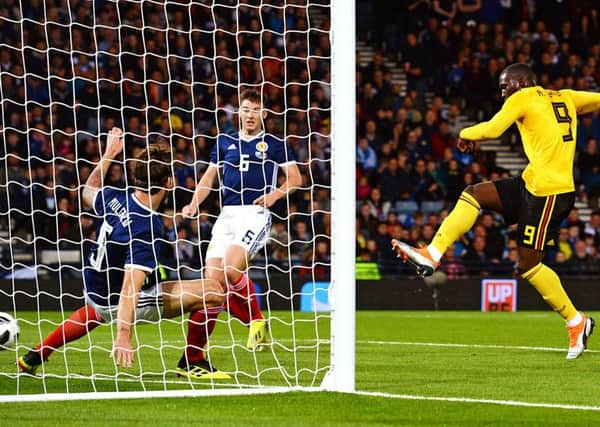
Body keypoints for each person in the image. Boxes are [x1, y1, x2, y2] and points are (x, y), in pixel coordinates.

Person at [392, 63, 600, 360]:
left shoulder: (523, 97)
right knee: (473, 194)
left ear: (519, 82)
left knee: (528, 265)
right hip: (532, 182)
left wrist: (464, 132)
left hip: (549, 193)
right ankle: (433, 253)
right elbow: (596, 98)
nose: (503, 92)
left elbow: (492, 129)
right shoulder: (564, 96)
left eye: (505, 86)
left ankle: (576, 321)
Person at [18, 127, 228, 379]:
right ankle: (192, 361)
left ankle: (35, 355)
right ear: (169, 183)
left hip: (95, 287)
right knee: (214, 291)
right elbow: (130, 288)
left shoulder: (114, 196)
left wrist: (108, 154)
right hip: (119, 301)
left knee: (94, 311)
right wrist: (123, 336)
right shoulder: (148, 226)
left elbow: (87, 190)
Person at [181, 90, 301, 369]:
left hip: (256, 213)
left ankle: (255, 321)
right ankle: (193, 358)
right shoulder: (224, 142)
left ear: (264, 114)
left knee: (231, 269)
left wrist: (276, 195)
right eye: (245, 109)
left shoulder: (275, 144)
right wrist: (193, 204)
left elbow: (295, 178)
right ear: (239, 113)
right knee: (211, 288)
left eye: (255, 109)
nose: (249, 115)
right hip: (227, 216)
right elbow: (208, 179)